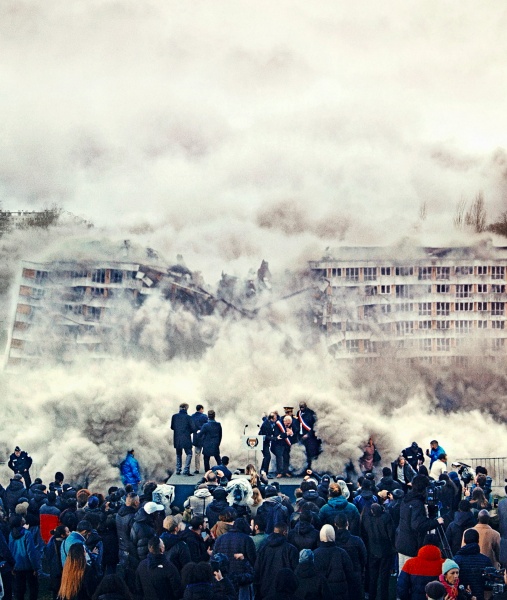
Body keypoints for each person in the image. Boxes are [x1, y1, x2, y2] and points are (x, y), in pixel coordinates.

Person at [396, 475, 444, 571]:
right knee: (412, 573)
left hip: (402, 542)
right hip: (412, 545)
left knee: (403, 573)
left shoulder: (407, 499)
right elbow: (417, 525)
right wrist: (436, 522)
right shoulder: (417, 503)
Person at [254, 522, 298, 600]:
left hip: (265, 589)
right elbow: (295, 570)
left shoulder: (263, 547)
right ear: (285, 532)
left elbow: (257, 569)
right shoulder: (290, 549)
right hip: (285, 591)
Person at [361, 503, 396, 600]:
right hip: (386, 551)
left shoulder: (367, 518)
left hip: (372, 551)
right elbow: (391, 534)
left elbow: (364, 533)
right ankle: (384, 597)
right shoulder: (386, 517)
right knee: (384, 577)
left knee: (373, 576)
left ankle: (372, 596)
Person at [313, 524, 354, 600]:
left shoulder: (314, 554)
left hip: (322, 593)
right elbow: (350, 573)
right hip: (340, 592)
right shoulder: (342, 553)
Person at [135, 535, 181, 600]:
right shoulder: (169, 567)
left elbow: (138, 588)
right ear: (162, 549)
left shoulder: (141, 565)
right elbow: (177, 591)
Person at [454, 529, 492, 600]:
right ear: (478, 541)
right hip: (479, 596)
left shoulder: (456, 559)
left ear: (464, 540)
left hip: (462, 596)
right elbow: (489, 582)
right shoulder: (486, 560)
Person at [8, 515, 40, 600]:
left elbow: (10, 549)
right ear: (20, 522)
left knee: (19, 589)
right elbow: (31, 552)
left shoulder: (11, 534)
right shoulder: (27, 534)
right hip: (28, 565)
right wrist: (35, 567)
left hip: (16, 564)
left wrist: (12, 565)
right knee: (33, 588)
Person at [170, 403, 196, 476]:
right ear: (186, 408)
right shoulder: (188, 417)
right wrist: (188, 432)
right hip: (186, 438)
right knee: (189, 454)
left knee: (178, 454)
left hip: (177, 438)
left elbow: (172, 427)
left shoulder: (174, 416)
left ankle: (178, 470)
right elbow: (193, 428)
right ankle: (186, 470)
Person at [297, 402, 320, 471]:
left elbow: (315, 426)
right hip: (300, 436)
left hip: (310, 438)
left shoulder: (311, 413)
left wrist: (308, 434)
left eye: (303, 407)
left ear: (306, 406)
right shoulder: (298, 413)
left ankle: (311, 469)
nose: (301, 408)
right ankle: (303, 469)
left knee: (311, 453)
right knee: (302, 452)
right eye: (300, 407)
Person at [191, 404, 208, 475]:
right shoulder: (204, 416)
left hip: (196, 437)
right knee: (206, 454)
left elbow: (191, 426)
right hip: (204, 437)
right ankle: (207, 469)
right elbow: (207, 426)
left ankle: (197, 469)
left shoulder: (192, 416)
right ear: (201, 409)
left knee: (197, 454)